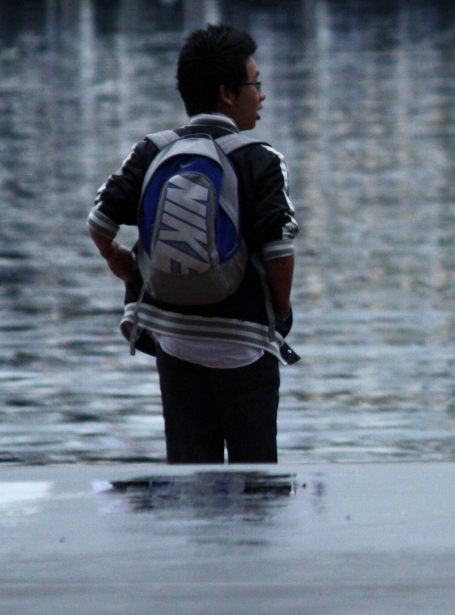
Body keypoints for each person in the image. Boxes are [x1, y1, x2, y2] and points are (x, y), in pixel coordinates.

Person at [87, 24, 297, 463]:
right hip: (243, 344)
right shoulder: (261, 159)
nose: (262, 96)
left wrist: (118, 260)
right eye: (255, 85)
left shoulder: (152, 150)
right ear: (227, 93)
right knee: (256, 479)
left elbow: (101, 220)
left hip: (174, 339)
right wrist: (280, 312)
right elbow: (278, 250)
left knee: (189, 476)